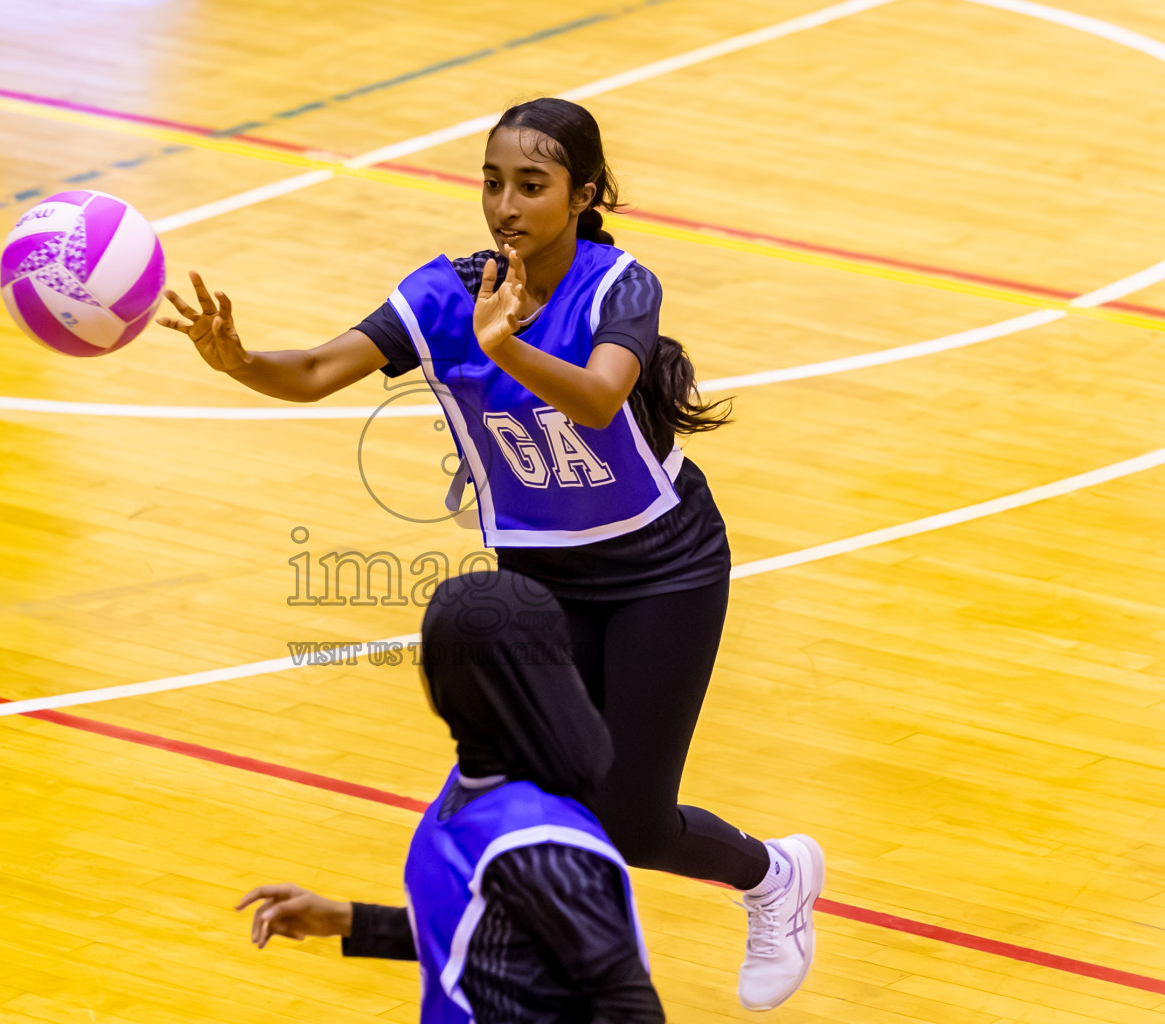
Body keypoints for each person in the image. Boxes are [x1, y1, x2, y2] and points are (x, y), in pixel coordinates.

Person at [161, 97, 823, 1010]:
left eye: (531, 185)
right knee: (508, 803)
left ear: (582, 195)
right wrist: (237, 360)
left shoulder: (619, 286)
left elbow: (598, 398)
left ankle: (774, 875)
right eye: (491, 182)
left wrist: (502, 345)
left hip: (662, 568)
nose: (505, 205)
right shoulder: (446, 293)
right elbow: (313, 371)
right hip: (540, 577)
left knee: (629, 822)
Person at [238, 570, 664, 1023]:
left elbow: (633, 1012)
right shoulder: (469, 787)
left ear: (447, 687)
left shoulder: (540, 847)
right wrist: (347, 920)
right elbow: (479, 935)